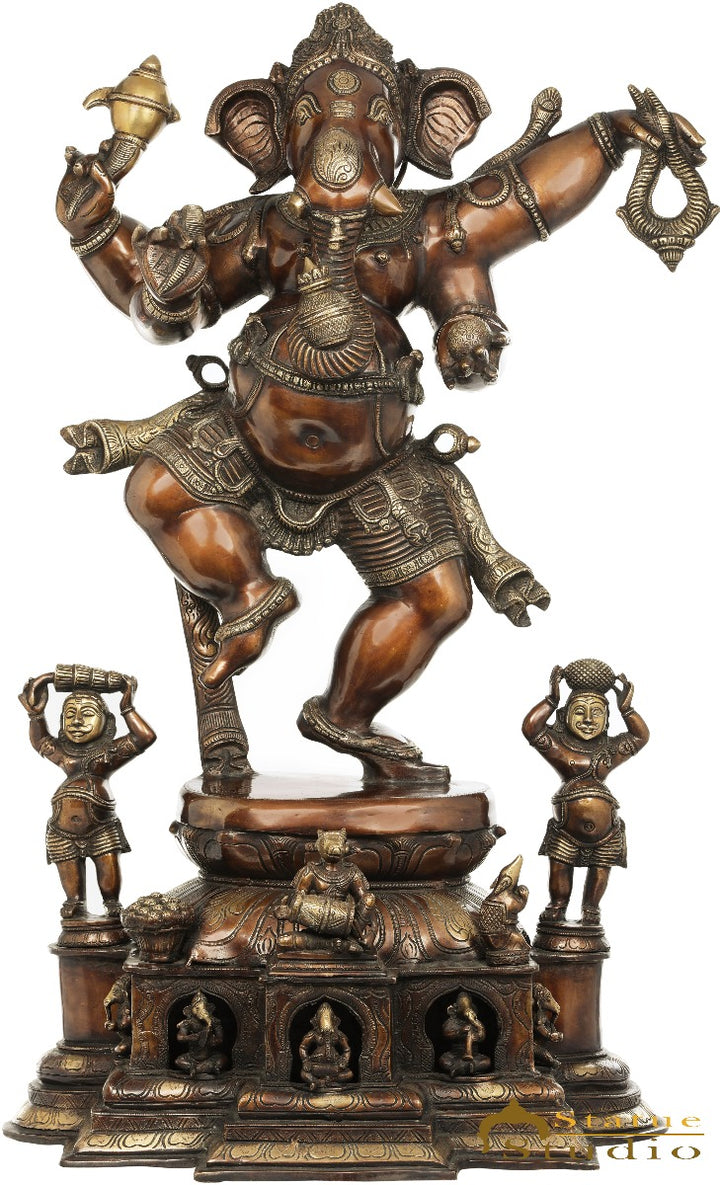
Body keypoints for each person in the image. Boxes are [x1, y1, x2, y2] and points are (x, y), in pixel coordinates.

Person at [19, 671, 156, 918]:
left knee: (107, 864)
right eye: (70, 715)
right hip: (61, 829)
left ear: (106, 721)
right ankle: (75, 901)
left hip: (101, 826)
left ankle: (112, 903)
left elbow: (144, 737)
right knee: (67, 867)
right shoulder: (63, 754)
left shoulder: (109, 754)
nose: (77, 721)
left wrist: (127, 707)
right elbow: (41, 741)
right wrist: (36, 715)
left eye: (88, 714)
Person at [522, 659, 649, 925]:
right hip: (566, 830)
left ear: (606, 721)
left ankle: (591, 909)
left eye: (597, 713)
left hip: (606, 832)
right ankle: (558, 906)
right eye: (579, 712)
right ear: (566, 716)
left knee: (600, 870)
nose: (588, 720)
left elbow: (640, 737)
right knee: (560, 868)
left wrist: (627, 710)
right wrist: (551, 700)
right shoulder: (558, 748)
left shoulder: (610, 750)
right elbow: (531, 728)